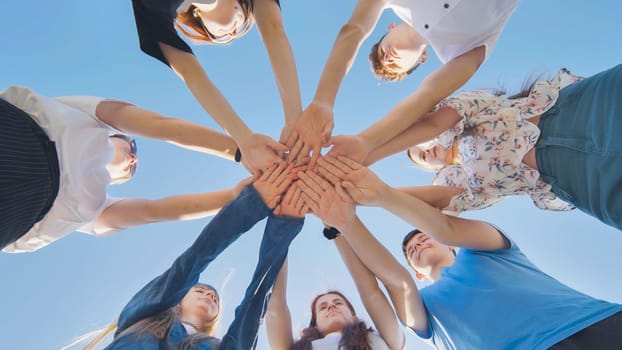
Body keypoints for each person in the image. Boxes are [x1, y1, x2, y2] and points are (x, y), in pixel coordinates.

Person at [300, 155, 622, 349]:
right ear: (416, 270)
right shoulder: (426, 310)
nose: (418, 244)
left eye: (422, 238)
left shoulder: (490, 251)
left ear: (451, 249)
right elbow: (395, 282)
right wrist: (345, 221)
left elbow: (446, 226)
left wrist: (381, 195)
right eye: (411, 250)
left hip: (595, 325)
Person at [366, 64, 622, 230]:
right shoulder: (458, 182)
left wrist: (367, 152)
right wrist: (373, 191)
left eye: (419, 144)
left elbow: (433, 123)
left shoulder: (463, 111)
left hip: (579, 110)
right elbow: (438, 198)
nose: (426, 150)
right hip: (578, 177)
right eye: (422, 157)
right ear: (432, 168)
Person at [0, 85, 250, 253]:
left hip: (18, 210)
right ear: (117, 136)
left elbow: (155, 210)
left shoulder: (95, 209)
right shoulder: (86, 120)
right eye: (132, 147)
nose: (133, 160)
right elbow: (161, 126)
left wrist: (233, 198)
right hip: (17, 134)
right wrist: (240, 150)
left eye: (132, 170)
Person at [83, 162, 306, 349]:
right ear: (178, 299)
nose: (209, 295)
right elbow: (192, 261)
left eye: (213, 297)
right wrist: (252, 204)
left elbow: (256, 303)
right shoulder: (143, 316)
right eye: (200, 290)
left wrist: (283, 225)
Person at [286, 0, 520, 167]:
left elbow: (355, 29)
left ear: (390, 27)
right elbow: (427, 96)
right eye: (395, 66)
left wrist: (323, 101)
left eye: (382, 51)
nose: (387, 59)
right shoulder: (463, 51)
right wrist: (365, 142)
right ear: (422, 59)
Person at [131, 0, 302, 171]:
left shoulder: (152, 11)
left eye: (222, 37)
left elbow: (190, 74)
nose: (233, 32)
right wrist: (295, 120)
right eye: (242, 20)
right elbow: (273, 30)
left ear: (199, 17)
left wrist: (245, 139)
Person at [266, 261, 405, 349]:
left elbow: (372, 294)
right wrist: (283, 233)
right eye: (322, 307)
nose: (331, 307)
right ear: (315, 325)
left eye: (338, 303)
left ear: (354, 318)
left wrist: (335, 227)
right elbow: (275, 310)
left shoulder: (380, 338)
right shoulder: (299, 348)